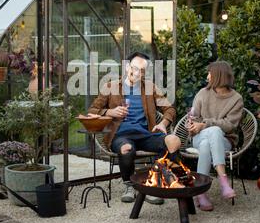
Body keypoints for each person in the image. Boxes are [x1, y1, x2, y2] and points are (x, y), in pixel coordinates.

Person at [88, 52, 181, 204]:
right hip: (120, 135)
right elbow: (92, 110)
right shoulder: (110, 87)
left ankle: (154, 183)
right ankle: (129, 185)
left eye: (142, 70)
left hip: (146, 134)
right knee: (126, 149)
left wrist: (163, 124)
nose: (137, 73)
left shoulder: (150, 87)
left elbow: (170, 109)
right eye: (134, 68)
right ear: (126, 67)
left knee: (173, 141)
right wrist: (110, 111)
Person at [187, 61, 244, 211]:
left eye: (210, 73)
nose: (207, 76)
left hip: (225, 140)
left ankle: (201, 192)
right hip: (199, 137)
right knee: (212, 133)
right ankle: (223, 181)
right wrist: (192, 125)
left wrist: (206, 124)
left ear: (218, 76)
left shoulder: (236, 99)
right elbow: (194, 118)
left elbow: (230, 125)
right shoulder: (203, 93)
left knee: (214, 135)